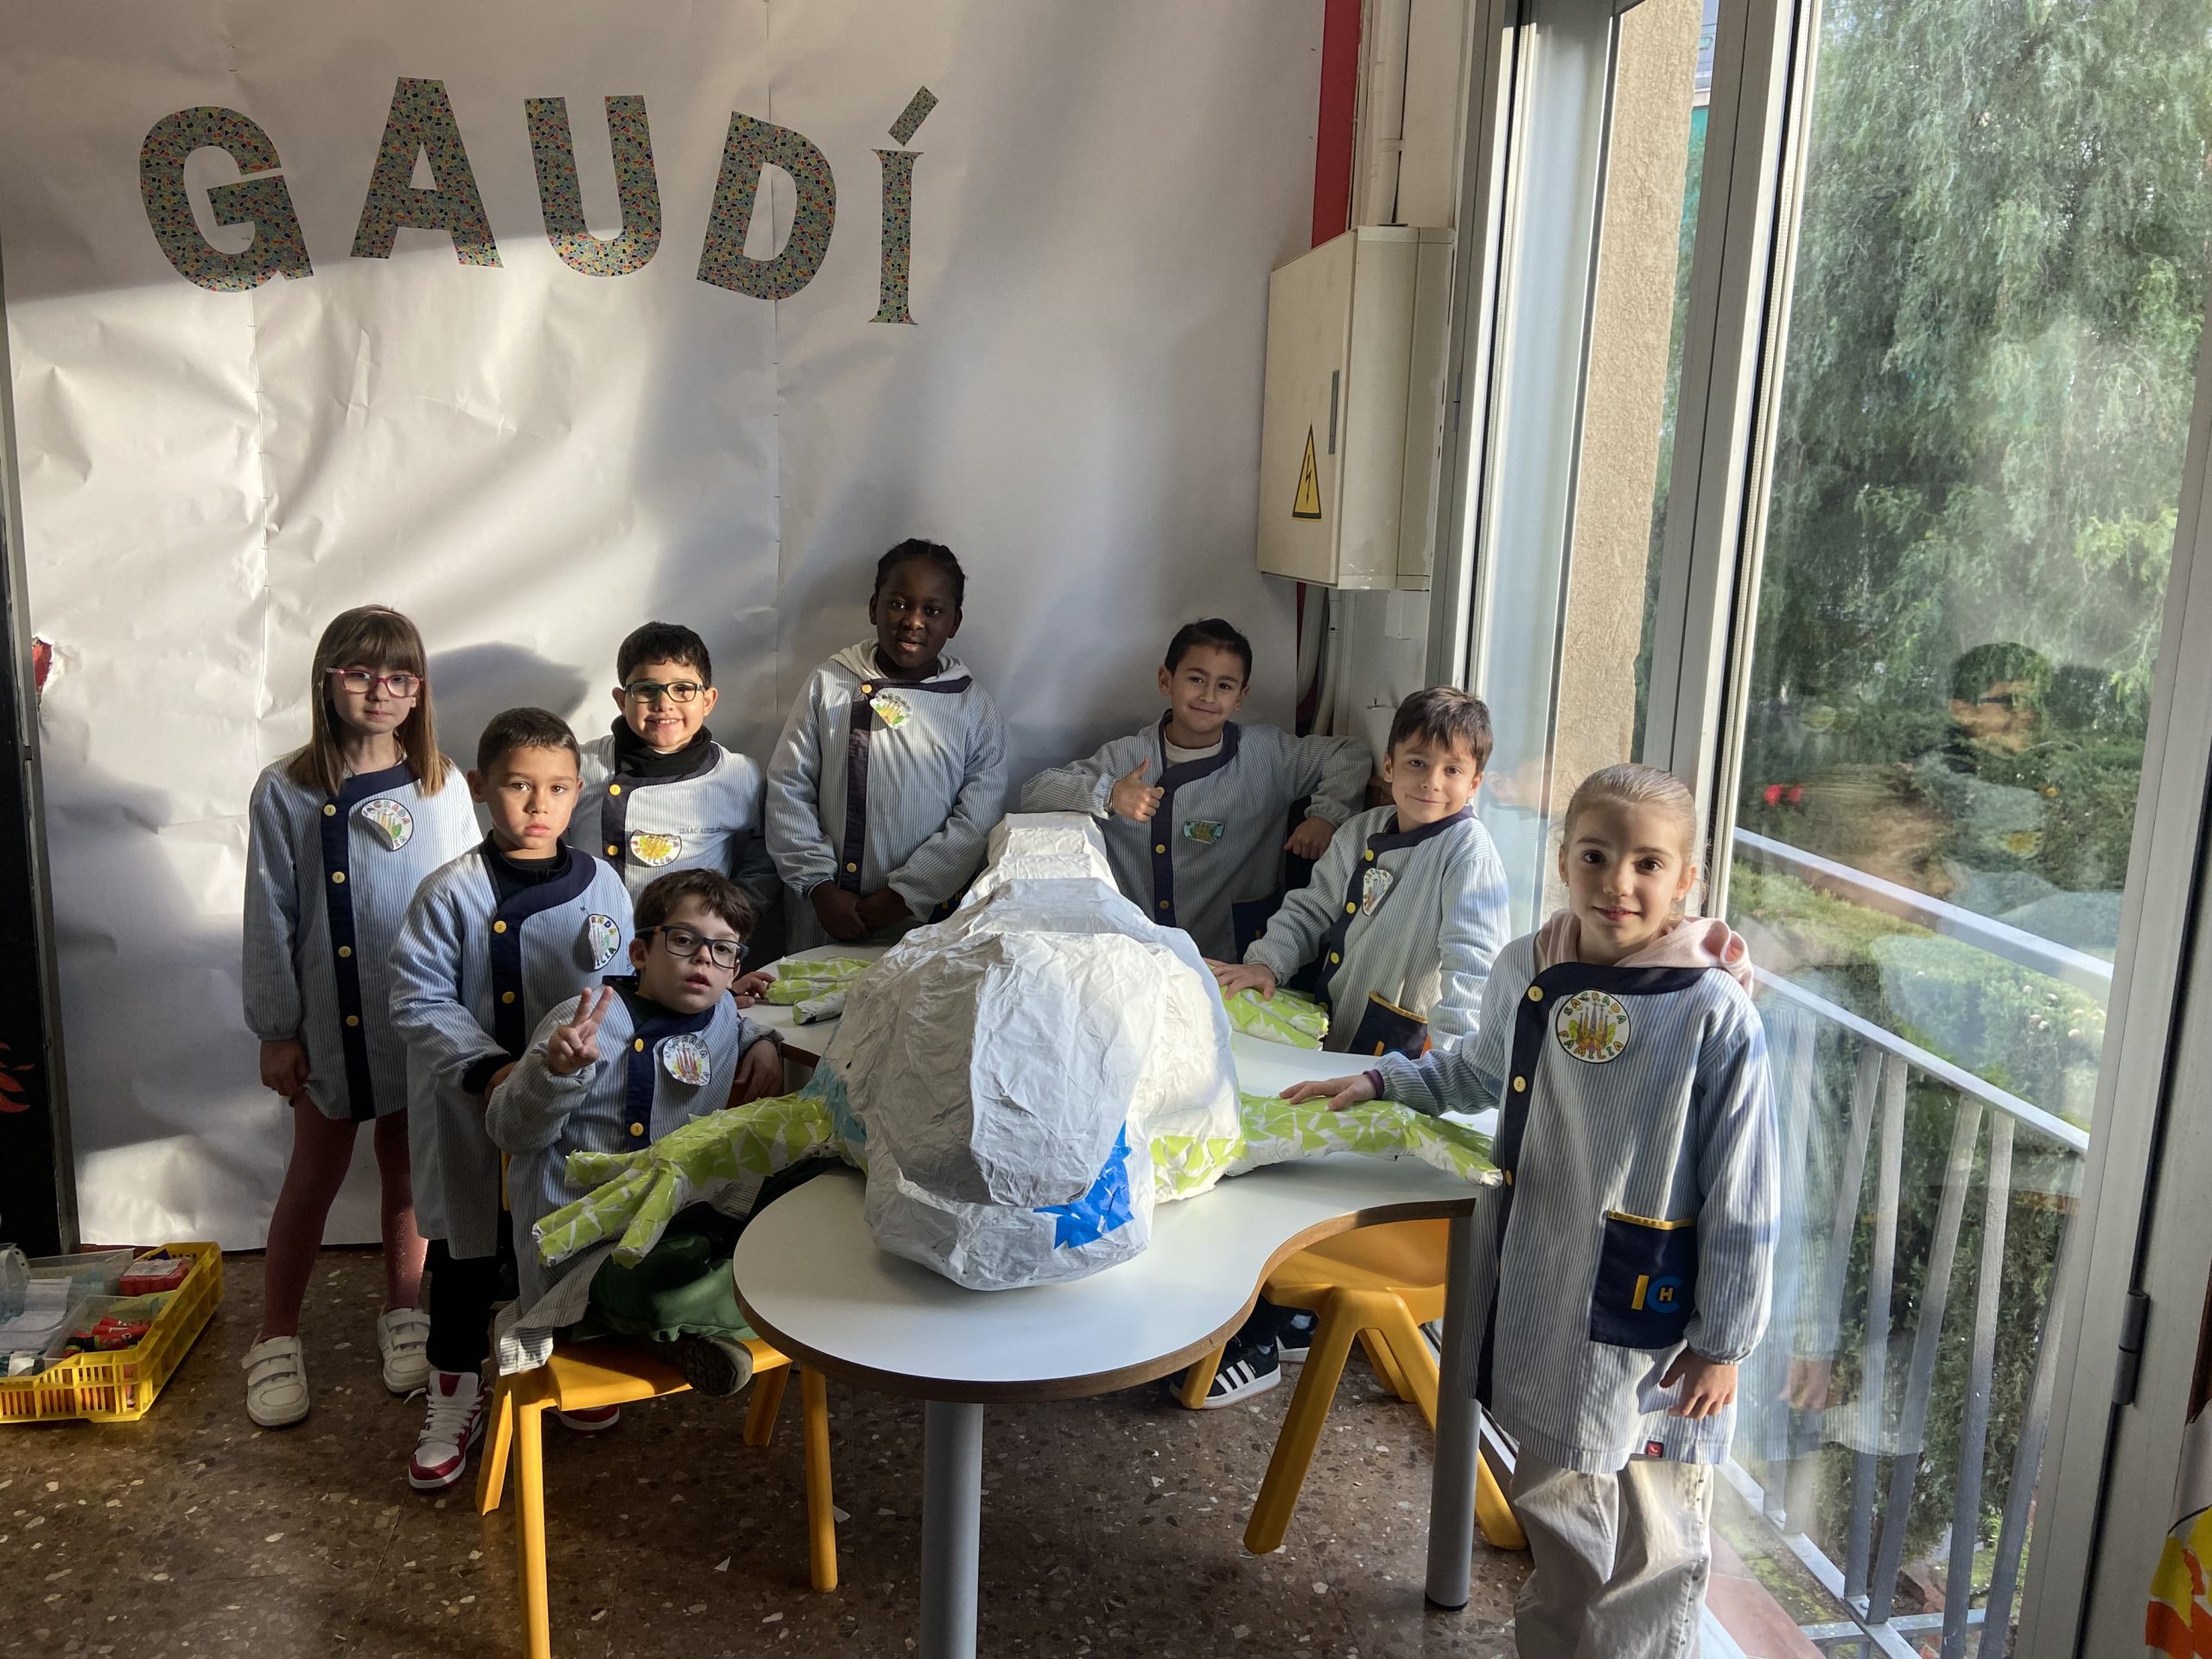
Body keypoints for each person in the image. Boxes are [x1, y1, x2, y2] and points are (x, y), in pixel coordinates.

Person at [1284, 763, 1777, 1659]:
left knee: (1652, 1532)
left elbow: (1744, 1189)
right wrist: (1381, 1080)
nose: (1617, 882)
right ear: (1563, 859)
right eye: (1595, 855)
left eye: (1647, 863)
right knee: (1557, 1499)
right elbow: (1477, 1068)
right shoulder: (1529, 966)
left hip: (1656, 1318)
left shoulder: (1711, 1010)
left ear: (1686, 880)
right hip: (1548, 1284)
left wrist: (1725, 1341)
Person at [238, 605, 480, 1429]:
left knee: (409, 1171)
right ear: (327, 681)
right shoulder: (287, 789)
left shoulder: (441, 783)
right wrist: (276, 1027)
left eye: (399, 676)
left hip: (420, 1020)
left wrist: (469, 1017)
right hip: (327, 1026)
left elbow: (468, 900)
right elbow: (269, 912)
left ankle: (405, 1310)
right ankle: (275, 1335)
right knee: (312, 1176)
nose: (380, 690)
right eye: (361, 673)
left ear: (419, 691)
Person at [388, 707, 635, 1493]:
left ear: (578, 792)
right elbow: (418, 998)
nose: (539, 805)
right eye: (519, 786)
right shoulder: (449, 891)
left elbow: (621, 989)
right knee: (467, 1257)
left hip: (566, 1112)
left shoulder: (603, 883)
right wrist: (491, 1068)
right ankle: (453, 1394)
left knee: (558, 1238)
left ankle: (559, 1364)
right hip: (468, 1111)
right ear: (479, 787)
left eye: (558, 788)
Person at [486, 868, 785, 1402]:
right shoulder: (583, 1023)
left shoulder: (721, 1012)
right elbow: (508, 1131)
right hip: (591, 1253)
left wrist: (764, 1042)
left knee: (803, 1192)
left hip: (681, 1222)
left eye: (722, 950)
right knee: (654, 1283)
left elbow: (739, 1022)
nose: (703, 960)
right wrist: (554, 1072)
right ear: (640, 952)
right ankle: (700, 1317)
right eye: (685, 940)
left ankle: (689, 1327)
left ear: (735, 970)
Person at [1018, 619, 1370, 961]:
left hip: (1231, 959)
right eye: (1196, 679)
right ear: (1165, 680)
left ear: (1241, 697)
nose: (1208, 695)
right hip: (1132, 954)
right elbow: (1035, 792)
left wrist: (1325, 816)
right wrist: (1110, 795)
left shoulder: (1268, 755)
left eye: (1225, 686)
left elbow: (1349, 753)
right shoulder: (1125, 756)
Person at [1213, 685, 1510, 1058]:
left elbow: (1473, 972)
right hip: (1339, 1030)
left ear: (1474, 784)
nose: (1431, 782)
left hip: (1406, 1059)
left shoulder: (1468, 853)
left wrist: (1450, 1065)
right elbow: (1310, 909)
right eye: (1417, 763)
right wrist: (1266, 963)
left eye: (1452, 770)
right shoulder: (1361, 829)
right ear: (1389, 766)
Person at [764, 539, 1007, 949]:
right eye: (898, 604)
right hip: (825, 912)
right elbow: (788, 786)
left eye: (932, 611)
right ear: (874, 607)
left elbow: (977, 820)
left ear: (955, 622)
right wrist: (819, 885)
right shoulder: (829, 683)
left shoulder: (972, 706)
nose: (913, 621)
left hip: (918, 919)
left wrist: (902, 896)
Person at [572, 621, 782, 957]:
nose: (664, 704)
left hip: (689, 954)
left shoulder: (738, 774)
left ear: (708, 700)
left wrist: (732, 917)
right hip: (588, 949)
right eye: (646, 689)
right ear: (621, 700)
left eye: (683, 689)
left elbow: (767, 853)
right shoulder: (581, 765)